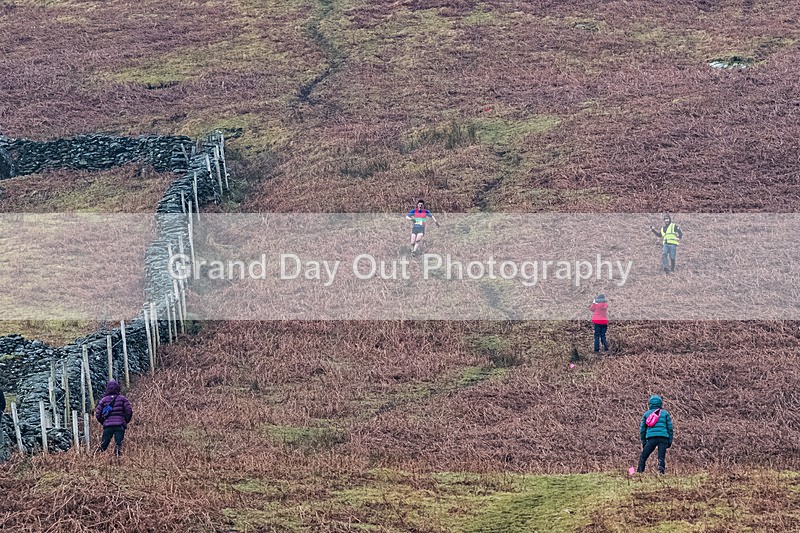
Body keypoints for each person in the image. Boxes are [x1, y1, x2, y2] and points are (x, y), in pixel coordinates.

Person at [94, 380, 133, 457]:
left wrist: (104, 422)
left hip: (108, 426)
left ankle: (94, 457)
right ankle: (117, 460)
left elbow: (98, 414)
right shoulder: (123, 399)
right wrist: (124, 421)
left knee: (103, 445)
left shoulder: (103, 400)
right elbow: (129, 411)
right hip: (119, 425)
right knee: (118, 444)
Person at [637, 395, 674, 474]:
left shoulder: (646, 414)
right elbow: (670, 429)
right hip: (664, 438)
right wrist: (669, 441)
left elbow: (642, 430)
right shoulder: (665, 413)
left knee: (643, 456)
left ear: (650, 404)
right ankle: (661, 474)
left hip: (652, 438)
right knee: (661, 458)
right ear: (660, 403)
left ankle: (639, 472)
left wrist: (644, 442)